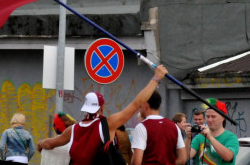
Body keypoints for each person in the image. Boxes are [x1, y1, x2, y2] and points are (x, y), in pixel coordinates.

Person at [37, 65, 168, 165]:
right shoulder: (108, 124)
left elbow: (51, 144)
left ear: (85, 108)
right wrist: (156, 79)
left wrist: (40, 143)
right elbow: (137, 103)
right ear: (102, 107)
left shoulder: (73, 130)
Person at [131, 91, 186, 165]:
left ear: (146, 105)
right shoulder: (174, 126)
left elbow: (136, 162)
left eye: (140, 105)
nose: (139, 109)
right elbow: (182, 159)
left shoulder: (141, 127)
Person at [185, 99, 239, 165]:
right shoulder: (199, 137)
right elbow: (186, 156)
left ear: (222, 118)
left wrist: (210, 138)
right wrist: (188, 138)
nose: (210, 120)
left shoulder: (230, 137)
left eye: (213, 117)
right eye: (208, 116)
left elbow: (228, 157)